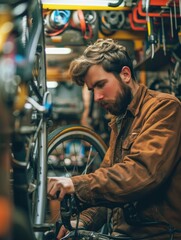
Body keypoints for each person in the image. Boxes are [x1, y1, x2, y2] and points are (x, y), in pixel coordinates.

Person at [47, 38, 181, 240]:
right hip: (123, 234)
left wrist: (75, 184)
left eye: (101, 85)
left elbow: (142, 173)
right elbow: (110, 189)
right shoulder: (120, 122)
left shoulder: (165, 109)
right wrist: (81, 222)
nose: (97, 97)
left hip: (160, 234)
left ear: (125, 74)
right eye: (93, 90)